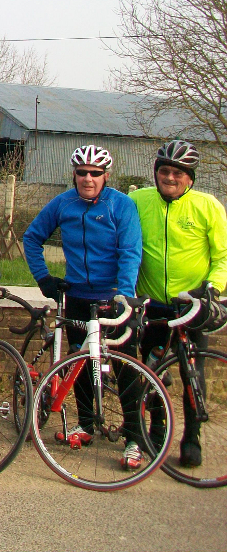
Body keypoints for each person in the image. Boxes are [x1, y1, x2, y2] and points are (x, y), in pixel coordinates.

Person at [23, 144, 144, 469]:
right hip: (77, 296)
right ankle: (86, 424)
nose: (88, 179)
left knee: (126, 368)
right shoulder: (63, 203)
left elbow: (130, 252)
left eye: (95, 173)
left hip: (113, 296)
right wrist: (43, 278)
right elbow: (31, 237)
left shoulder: (122, 205)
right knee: (79, 363)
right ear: (74, 175)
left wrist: (125, 295)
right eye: (82, 173)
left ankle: (135, 437)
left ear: (106, 176)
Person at [129, 139, 227, 468]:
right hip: (153, 304)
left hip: (191, 304)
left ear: (190, 178)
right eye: (165, 171)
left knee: (192, 374)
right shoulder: (138, 200)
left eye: (178, 173)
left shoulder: (207, 206)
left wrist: (213, 287)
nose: (170, 177)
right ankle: (157, 431)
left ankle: (192, 439)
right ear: (156, 172)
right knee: (152, 372)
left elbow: (223, 256)